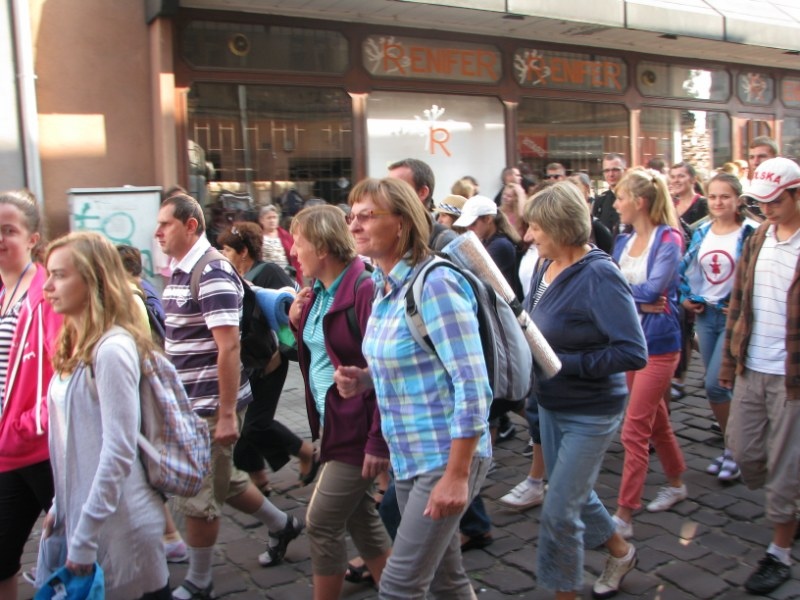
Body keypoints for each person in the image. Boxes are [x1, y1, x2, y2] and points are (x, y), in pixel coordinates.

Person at [336, 177, 492, 599]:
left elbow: (473, 383)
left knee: (398, 586)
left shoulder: (435, 284)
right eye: (352, 216)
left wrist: (456, 475)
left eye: (367, 216)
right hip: (408, 457)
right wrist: (365, 378)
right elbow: (417, 360)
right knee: (446, 579)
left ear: (402, 223)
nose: (354, 225)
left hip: (443, 455)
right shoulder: (385, 285)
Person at [155, 192, 303, 600]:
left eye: (165, 224)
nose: (157, 232)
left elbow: (229, 347)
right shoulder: (181, 269)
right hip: (189, 404)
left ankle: (199, 581)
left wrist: (224, 415)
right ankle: (283, 525)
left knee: (200, 496)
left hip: (208, 406)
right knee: (228, 481)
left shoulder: (210, 270)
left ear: (190, 226)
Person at [520, 182, 647, 599]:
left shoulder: (599, 275)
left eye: (536, 227)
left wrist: (561, 364)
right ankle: (621, 552)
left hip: (591, 409)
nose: (529, 236)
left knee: (559, 512)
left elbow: (632, 351)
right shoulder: (545, 263)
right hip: (551, 402)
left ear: (559, 227)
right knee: (571, 491)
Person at [42, 231, 169, 598]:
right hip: (90, 518)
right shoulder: (76, 341)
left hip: (122, 524)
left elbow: (118, 449)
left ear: (93, 279)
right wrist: (60, 505)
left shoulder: (112, 348)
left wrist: (84, 536)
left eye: (60, 275)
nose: (48, 286)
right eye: (49, 274)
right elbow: (72, 438)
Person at [288, 205, 392, 600]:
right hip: (334, 424)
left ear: (322, 248)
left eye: (299, 243)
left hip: (357, 428)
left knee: (321, 521)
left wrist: (377, 440)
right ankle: (399, 591)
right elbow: (319, 349)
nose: (293, 251)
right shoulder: (316, 291)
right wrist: (295, 321)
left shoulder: (363, 289)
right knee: (361, 518)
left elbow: (384, 370)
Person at [719, 157, 800, 596]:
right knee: (744, 451)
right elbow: (739, 300)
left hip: (792, 377)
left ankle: (780, 550)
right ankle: (790, 501)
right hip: (752, 366)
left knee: (784, 470)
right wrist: (729, 363)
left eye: (775, 201)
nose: (766, 209)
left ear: (797, 195)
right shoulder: (760, 236)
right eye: (760, 202)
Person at [611, 169, 688, 539]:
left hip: (660, 344)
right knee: (656, 421)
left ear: (639, 202)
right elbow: (616, 285)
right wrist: (640, 298)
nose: (615, 204)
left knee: (634, 429)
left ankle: (625, 513)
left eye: (620, 197)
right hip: (630, 342)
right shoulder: (622, 240)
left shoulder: (669, 238)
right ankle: (676, 482)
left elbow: (656, 289)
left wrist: (630, 294)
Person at [216, 221, 318, 495]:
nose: (224, 255)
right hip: (248, 362)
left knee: (255, 424)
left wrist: (277, 352)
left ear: (244, 251)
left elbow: (290, 311)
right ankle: (260, 481)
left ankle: (306, 451)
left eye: (228, 250)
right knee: (246, 427)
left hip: (271, 362)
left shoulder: (268, 271)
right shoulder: (231, 277)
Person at [0, 190, 62, 600]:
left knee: (79, 556)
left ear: (32, 239)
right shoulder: (2, 293)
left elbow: (67, 372)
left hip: (44, 449)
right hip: (8, 451)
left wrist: (29, 422)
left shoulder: (46, 294)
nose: (0, 238)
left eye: (9, 230)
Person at [678, 173, 759, 482]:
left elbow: (757, 275)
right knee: (725, 388)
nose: (718, 202)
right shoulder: (702, 231)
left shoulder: (751, 232)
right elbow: (687, 268)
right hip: (706, 315)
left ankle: (737, 449)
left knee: (716, 384)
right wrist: (686, 298)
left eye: (725, 196)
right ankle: (733, 446)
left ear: (738, 199)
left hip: (733, 318)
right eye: (713, 196)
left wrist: (742, 304)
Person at [454, 195, 524, 301]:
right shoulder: (487, 241)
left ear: (488, 219)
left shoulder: (501, 245)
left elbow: (477, 275)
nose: (468, 228)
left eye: (473, 224)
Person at [387, 158, 457, 251]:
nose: (386, 194)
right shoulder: (387, 234)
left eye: (397, 188)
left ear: (422, 193)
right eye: (387, 187)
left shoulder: (446, 241)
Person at [258, 204, 304, 286]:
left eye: (274, 217)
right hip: (266, 279)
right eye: (269, 218)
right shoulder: (258, 236)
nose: (272, 220)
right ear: (261, 220)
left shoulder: (286, 236)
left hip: (285, 277)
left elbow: (295, 256)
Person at [592, 153, 626, 235]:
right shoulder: (600, 201)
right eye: (607, 170)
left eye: (615, 170)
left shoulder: (634, 198)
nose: (611, 174)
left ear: (625, 171)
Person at [669, 161, 708, 231]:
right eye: (673, 177)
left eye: (681, 176)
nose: (676, 180)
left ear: (693, 179)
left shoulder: (703, 204)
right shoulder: (671, 204)